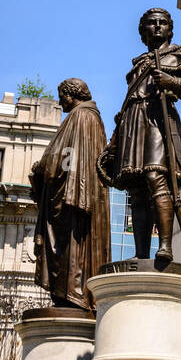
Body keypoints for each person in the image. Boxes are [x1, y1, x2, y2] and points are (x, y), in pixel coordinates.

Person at [98, 8, 181, 267]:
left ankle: (165, 246)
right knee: (136, 187)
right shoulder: (139, 64)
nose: (157, 27)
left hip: (159, 120)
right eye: (151, 24)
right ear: (142, 31)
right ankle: (141, 252)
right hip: (134, 122)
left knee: (155, 176)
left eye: (162, 23)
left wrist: (172, 82)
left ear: (170, 29)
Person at [28, 78, 110, 311]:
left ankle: (72, 294)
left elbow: (65, 157)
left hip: (72, 195)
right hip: (79, 192)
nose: (60, 100)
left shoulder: (80, 117)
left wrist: (43, 169)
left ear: (71, 95)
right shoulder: (91, 117)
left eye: (62, 95)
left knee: (70, 246)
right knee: (71, 247)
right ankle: (69, 294)